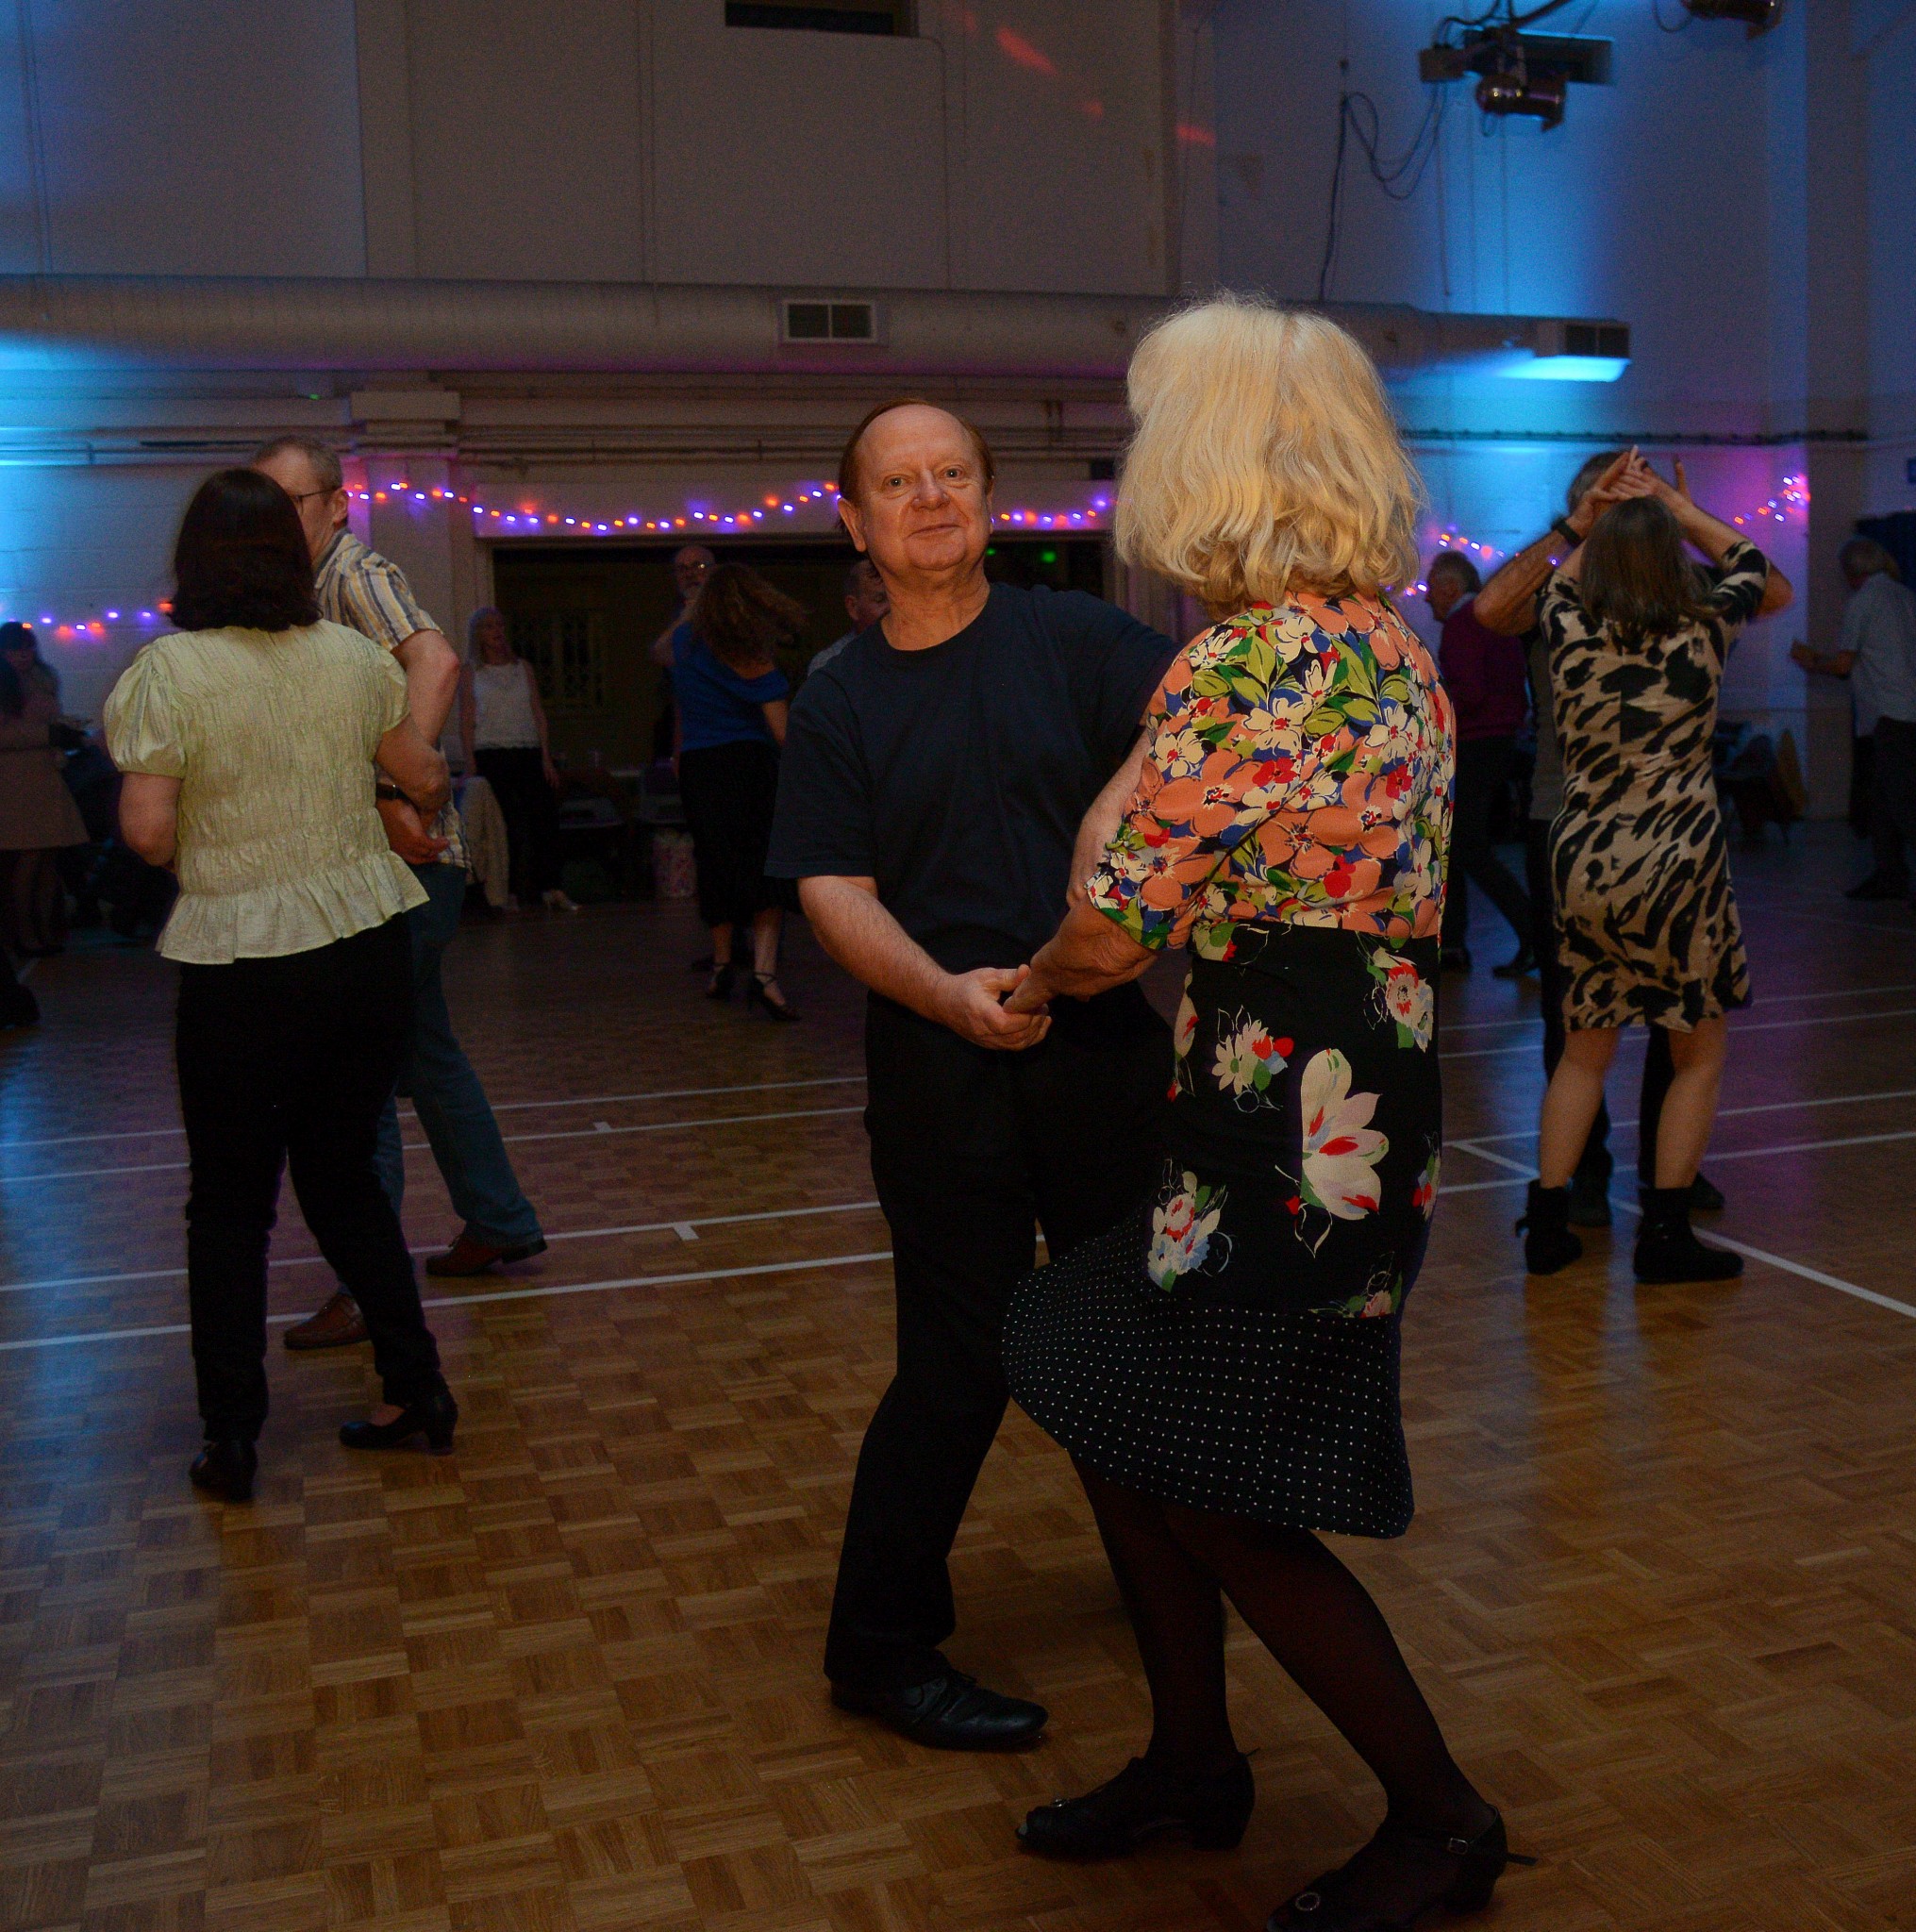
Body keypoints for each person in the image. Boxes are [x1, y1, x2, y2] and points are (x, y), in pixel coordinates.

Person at [997, 297, 1525, 1931]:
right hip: (1336, 1091)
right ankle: (1190, 1757)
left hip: (1284, 1123)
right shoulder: (1385, 645)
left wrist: (1027, 984)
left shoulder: (1245, 661)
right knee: (1121, 1407)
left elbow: (1112, 924)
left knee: (1219, 1494)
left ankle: (1441, 1820)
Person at [767, 396, 1176, 1749]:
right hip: (938, 1066)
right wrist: (946, 995)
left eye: (952, 473)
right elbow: (831, 889)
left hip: (1101, 1047)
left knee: (1137, 1334)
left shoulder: (1075, 637)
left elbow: (1201, 706)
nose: (931, 497)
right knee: (957, 1363)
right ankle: (878, 1648)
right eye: (899, 482)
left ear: (989, 500)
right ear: (855, 522)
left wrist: (1117, 801)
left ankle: (1169, 1577)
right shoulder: (839, 696)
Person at [103, 469, 460, 1502]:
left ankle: (233, 1439)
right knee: (344, 1179)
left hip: (243, 965)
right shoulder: (351, 656)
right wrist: (364, 796)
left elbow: (148, 832)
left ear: (195, 560)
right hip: (362, 949)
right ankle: (418, 1388)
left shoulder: (171, 670)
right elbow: (424, 775)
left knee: (229, 1209)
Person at [253, 437, 546, 1353]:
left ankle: (366, 1285)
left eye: (292, 502)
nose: (277, 522)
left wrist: (394, 786)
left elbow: (439, 661)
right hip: (393, 862)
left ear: (335, 504)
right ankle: (497, 1218)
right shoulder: (307, 588)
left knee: (359, 1070)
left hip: (402, 863)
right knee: (423, 1052)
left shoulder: (354, 573)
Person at [1474, 451, 1791, 1224]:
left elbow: (1499, 604)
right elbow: (1758, 573)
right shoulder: (1703, 621)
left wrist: (1589, 527)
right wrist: (1677, 513)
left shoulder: (1564, 613)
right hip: (1675, 854)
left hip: (1584, 845)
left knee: (1585, 1045)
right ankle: (1659, 1217)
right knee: (1689, 1041)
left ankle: (1553, 1216)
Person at [675, 562, 802, 1020]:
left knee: (715, 863)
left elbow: (660, 652)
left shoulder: (682, 644)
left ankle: (722, 966)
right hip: (748, 765)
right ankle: (764, 977)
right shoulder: (751, 655)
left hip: (699, 766)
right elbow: (783, 733)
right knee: (765, 866)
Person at [1791, 537, 1916, 904]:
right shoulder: (1905, 596)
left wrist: (1812, 662)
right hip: (1906, 711)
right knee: (1884, 802)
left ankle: (1891, 877)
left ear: (1850, 571)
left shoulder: (1864, 601)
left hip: (1888, 715)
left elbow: (1844, 664)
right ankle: (1889, 875)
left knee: (1901, 804)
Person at [1425, 554, 1532, 975]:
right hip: (1499, 740)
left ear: (1452, 587)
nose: (1427, 596)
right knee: (1460, 844)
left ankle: (1531, 933)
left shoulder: (1463, 623)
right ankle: (1454, 945)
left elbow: (1468, 693)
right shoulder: (1492, 619)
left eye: (1432, 586)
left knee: (1465, 844)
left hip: (1476, 742)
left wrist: (1428, 707)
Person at [458, 607, 575, 913]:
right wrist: (470, 763)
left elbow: (537, 712)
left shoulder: (523, 668)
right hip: (491, 752)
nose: (496, 631)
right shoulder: (471, 671)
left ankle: (551, 887)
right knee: (504, 824)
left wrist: (546, 757)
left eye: (499, 625)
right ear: (479, 634)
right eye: (488, 627)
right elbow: (467, 718)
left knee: (544, 818)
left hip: (527, 750)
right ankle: (507, 891)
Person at [0, 623, 88, 957]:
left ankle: (44, 929)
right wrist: (48, 735)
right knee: (31, 859)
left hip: (45, 775)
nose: (23, 656)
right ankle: (26, 932)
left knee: (48, 858)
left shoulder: (43, 679)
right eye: (15, 650)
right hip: (16, 781)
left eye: (27, 648)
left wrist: (64, 734)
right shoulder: (12, 684)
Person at [649, 543, 715, 761]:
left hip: (727, 731)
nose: (690, 574)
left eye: (698, 566)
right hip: (691, 734)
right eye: (682, 569)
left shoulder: (727, 614)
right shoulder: (677, 618)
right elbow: (661, 656)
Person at [809, 557, 891, 675]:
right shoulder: (829, 664)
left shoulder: (912, 652)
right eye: (880, 600)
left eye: (894, 599)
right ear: (853, 606)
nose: (891, 608)